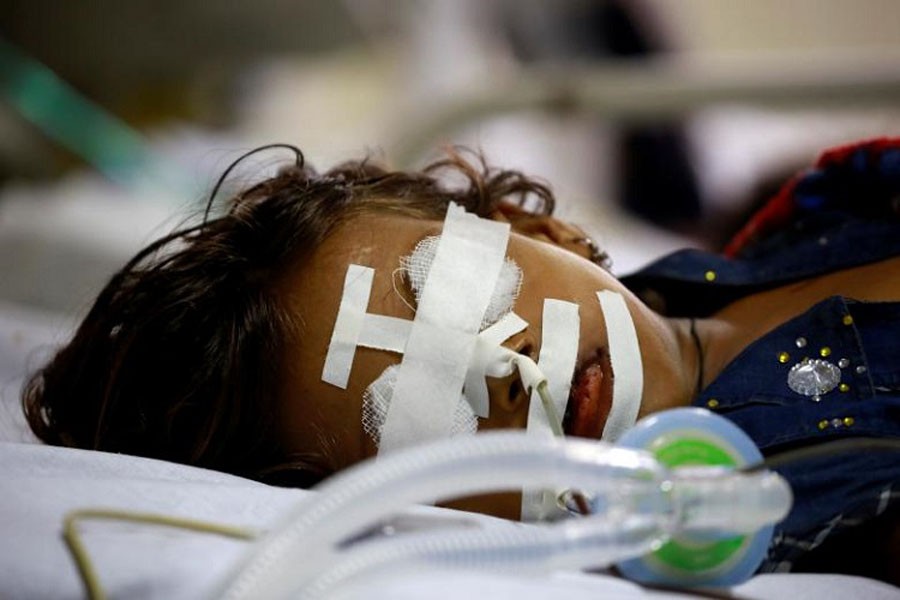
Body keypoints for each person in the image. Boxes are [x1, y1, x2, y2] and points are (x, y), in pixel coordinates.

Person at [22, 139, 900, 584]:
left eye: (459, 290)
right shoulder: (812, 507)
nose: (507, 366)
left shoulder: (821, 217)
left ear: (535, 230)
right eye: (420, 412)